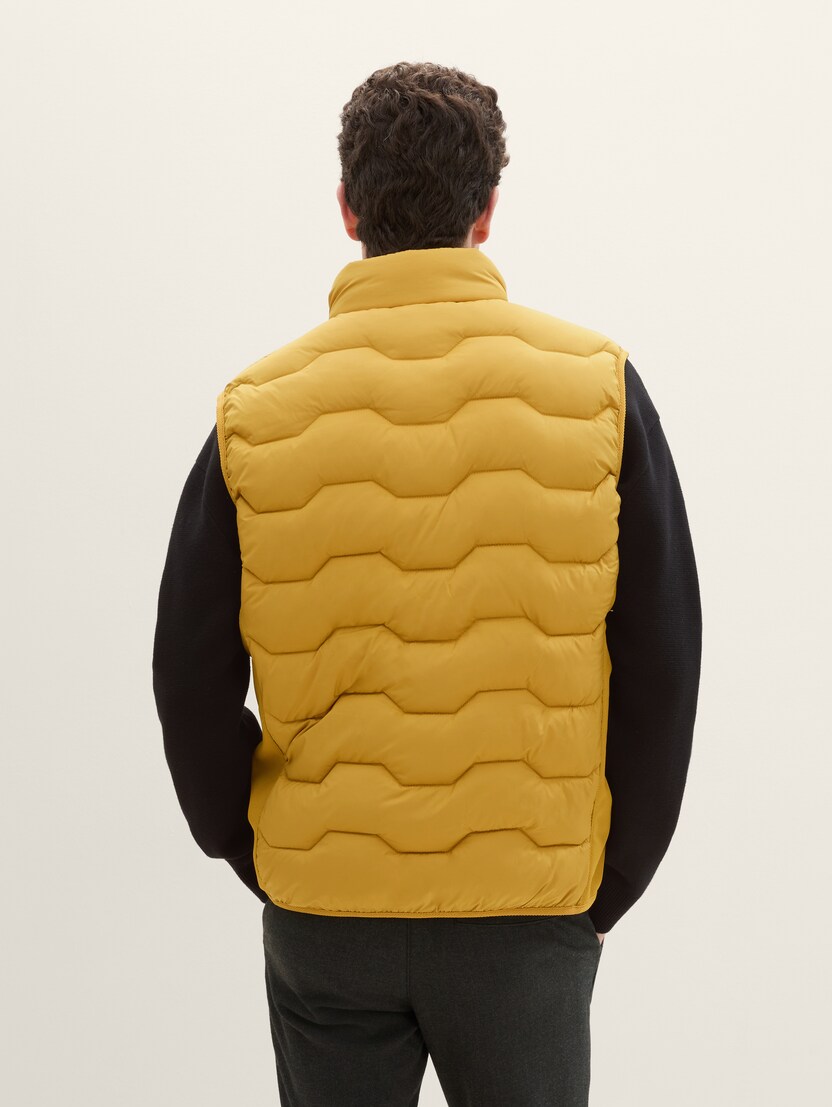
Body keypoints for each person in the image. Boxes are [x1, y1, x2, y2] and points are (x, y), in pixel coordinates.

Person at [153, 60, 702, 1107]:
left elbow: (186, 674)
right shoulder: (597, 388)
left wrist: (259, 848)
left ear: (348, 208)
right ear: (486, 211)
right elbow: (664, 662)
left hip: (328, 910)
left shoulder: (256, 410)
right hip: (526, 910)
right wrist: (609, 880)